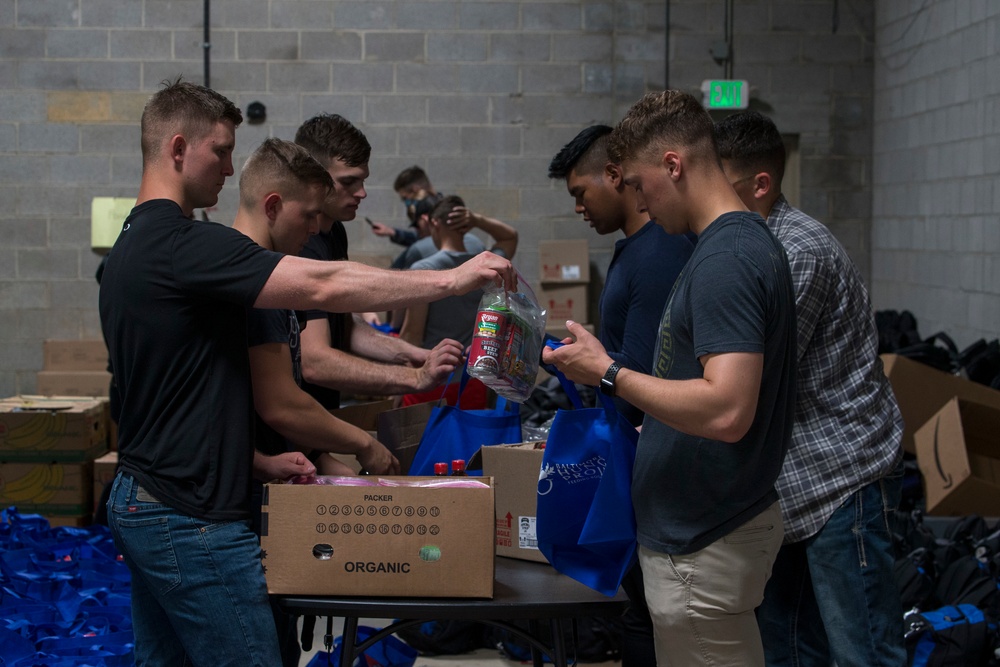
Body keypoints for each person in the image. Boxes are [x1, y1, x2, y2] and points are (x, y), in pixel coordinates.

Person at [98, 79, 514, 666]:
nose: (227, 166)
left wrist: (259, 460)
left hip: (152, 493)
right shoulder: (182, 244)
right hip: (186, 514)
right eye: (219, 150)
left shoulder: (133, 247)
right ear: (176, 148)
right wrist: (450, 277)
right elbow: (321, 284)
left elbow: (175, 398)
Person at [541, 89, 797, 666]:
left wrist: (607, 372)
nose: (639, 200)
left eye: (636, 182)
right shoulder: (725, 247)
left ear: (673, 165)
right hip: (699, 535)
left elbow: (728, 410)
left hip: (703, 540)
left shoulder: (726, 258)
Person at [715, 110, 906, 667]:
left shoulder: (799, 252)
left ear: (761, 184)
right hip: (789, 489)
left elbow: (749, 381)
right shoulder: (752, 246)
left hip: (842, 480)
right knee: (791, 651)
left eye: (719, 186)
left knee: (863, 651)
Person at [547, 124, 694, 667]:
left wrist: (593, 367)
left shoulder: (659, 253)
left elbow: (652, 371)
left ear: (614, 176)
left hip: (649, 453)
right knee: (639, 607)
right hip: (634, 451)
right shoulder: (633, 250)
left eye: (580, 193)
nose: (579, 208)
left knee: (647, 614)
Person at [292, 114, 467, 411]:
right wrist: (414, 377)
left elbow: (343, 325)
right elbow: (315, 361)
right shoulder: (299, 243)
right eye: (349, 182)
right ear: (313, 178)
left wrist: (409, 353)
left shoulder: (334, 231)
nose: (362, 193)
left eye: (363, 181)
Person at [398, 195, 518, 408]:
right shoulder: (485, 265)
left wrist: (398, 388)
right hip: (473, 378)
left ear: (435, 223)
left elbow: (412, 334)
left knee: (426, 441)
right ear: (466, 225)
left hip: (433, 380)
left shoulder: (423, 270)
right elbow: (510, 237)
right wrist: (478, 220)